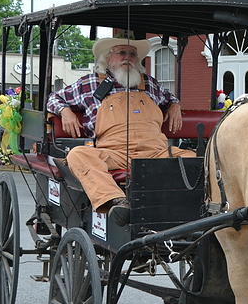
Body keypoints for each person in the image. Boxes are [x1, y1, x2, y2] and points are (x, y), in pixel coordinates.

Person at [47, 37, 195, 215]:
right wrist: (65, 111)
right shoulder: (90, 83)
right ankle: (115, 200)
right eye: (122, 53)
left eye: (132, 54)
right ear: (108, 58)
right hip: (114, 153)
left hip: (157, 152)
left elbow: (170, 97)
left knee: (193, 158)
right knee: (78, 155)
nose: (128, 58)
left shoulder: (149, 84)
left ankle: (191, 206)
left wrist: (175, 105)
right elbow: (53, 98)